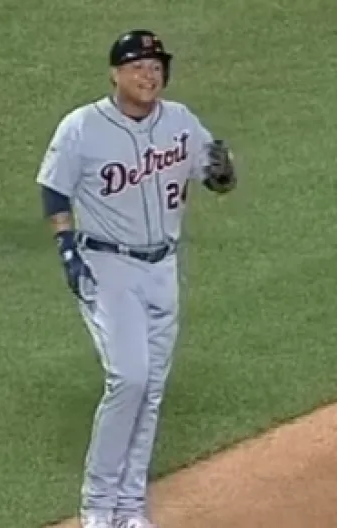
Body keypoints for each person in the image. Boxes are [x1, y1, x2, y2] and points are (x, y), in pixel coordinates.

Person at [34, 29, 238, 528]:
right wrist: (66, 249)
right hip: (108, 266)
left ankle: (129, 508)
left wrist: (223, 173)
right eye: (139, 66)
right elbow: (54, 190)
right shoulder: (82, 127)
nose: (149, 75)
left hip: (163, 267)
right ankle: (97, 507)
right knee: (129, 378)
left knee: (151, 389)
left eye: (156, 66)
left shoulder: (180, 121)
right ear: (116, 74)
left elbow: (216, 175)